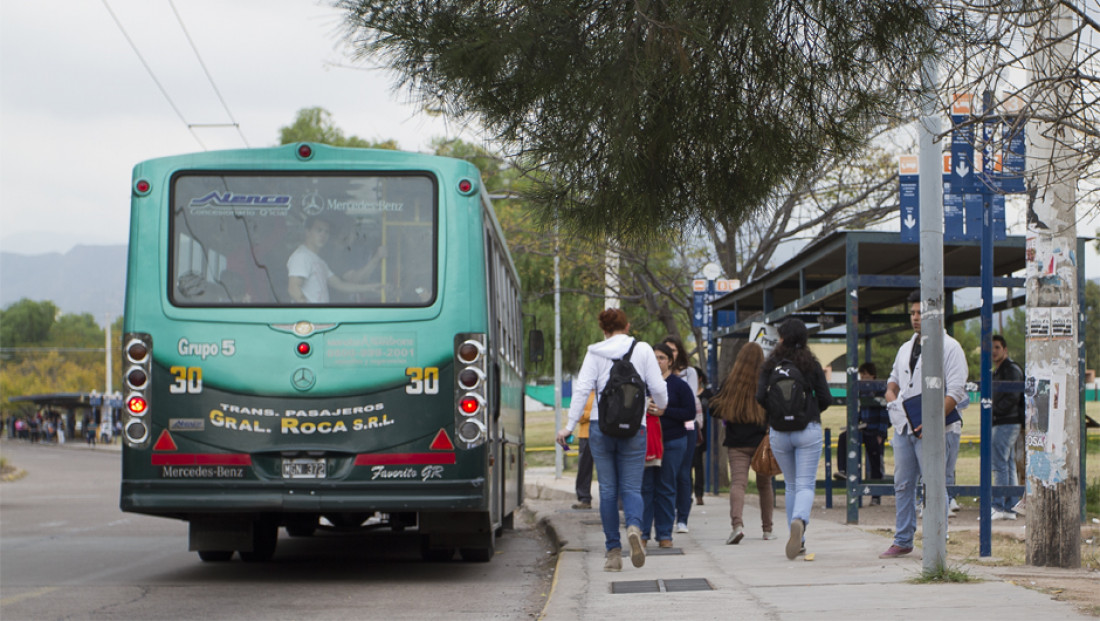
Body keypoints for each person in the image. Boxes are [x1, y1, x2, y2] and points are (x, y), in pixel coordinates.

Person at [556, 309, 668, 572]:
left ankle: (613, 553)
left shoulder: (595, 352)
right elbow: (659, 389)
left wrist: (569, 426)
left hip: (600, 427)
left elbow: (582, 389)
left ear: (603, 329)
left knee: (607, 490)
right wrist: (661, 407)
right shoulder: (642, 350)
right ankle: (633, 526)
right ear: (627, 326)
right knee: (631, 488)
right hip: (635, 428)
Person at [879, 290, 969, 559]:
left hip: (937, 429)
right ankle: (903, 539)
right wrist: (892, 397)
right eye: (913, 313)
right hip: (905, 427)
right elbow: (893, 380)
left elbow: (956, 391)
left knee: (934, 483)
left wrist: (931, 422)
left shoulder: (950, 348)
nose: (916, 318)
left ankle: (936, 539)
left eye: (921, 313)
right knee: (903, 483)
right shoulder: (905, 348)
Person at [756, 318, 833, 560]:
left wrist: (778, 414)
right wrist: (808, 412)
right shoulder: (810, 364)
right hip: (807, 429)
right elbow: (826, 398)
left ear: (780, 338)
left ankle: (798, 540)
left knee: (790, 485)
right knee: (805, 484)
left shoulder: (770, 365)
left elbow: (760, 396)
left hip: (779, 432)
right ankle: (800, 520)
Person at [710, 342, 775, 544]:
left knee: (738, 484)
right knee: (765, 485)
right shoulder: (766, 383)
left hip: (737, 442)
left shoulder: (730, 382)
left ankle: (737, 525)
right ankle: (767, 530)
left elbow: (713, 408)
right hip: (761, 443)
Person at [639, 343, 697, 549]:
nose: (657, 362)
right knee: (645, 488)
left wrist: (666, 412)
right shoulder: (642, 385)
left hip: (673, 442)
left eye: (662, 358)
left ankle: (665, 534)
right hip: (647, 443)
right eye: (654, 358)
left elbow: (690, 413)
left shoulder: (679, 385)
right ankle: (642, 534)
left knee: (666, 487)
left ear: (670, 361)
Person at [287, 216, 386, 303]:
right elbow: (293, 288)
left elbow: (340, 284)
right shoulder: (301, 256)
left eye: (326, 232)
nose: (323, 235)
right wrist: (309, 312)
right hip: (313, 318)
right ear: (308, 232)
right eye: (319, 230)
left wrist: (371, 288)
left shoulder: (319, 261)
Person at [834, 362, 890, 505]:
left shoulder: (880, 389)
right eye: (861, 374)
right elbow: (861, 412)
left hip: (875, 430)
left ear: (873, 375)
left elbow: (885, 414)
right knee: (843, 437)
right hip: (863, 428)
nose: (863, 377)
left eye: (865, 374)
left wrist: (881, 433)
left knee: (875, 460)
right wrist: (853, 424)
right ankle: (843, 469)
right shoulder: (862, 390)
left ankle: (876, 495)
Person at [661, 336, 700, 533]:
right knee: (665, 474)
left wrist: (665, 408)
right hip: (664, 428)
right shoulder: (655, 375)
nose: (670, 355)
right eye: (666, 352)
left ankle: (682, 516)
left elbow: (689, 401)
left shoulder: (688, 373)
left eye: (673, 351)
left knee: (684, 473)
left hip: (687, 426)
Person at [991, 334, 1024, 520]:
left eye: (997, 347)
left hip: (1006, 421)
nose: (994, 351)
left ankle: (999, 505)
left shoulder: (1010, 369)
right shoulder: (999, 370)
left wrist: (994, 410)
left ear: (1005, 349)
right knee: (1008, 462)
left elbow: (1013, 396)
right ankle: (1011, 506)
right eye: (992, 348)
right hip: (1005, 421)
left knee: (999, 463)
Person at [691, 366, 712, 505]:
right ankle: (689, 492)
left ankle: (699, 493)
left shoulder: (707, 394)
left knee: (698, 464)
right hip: (689, 431)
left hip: (701, 434)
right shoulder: (687, 392)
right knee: (687, 465)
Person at [572, 393, 595, 510]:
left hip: (604, 434)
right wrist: (593, 414)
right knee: (584, 468)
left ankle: (616, 501)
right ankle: (584, 498)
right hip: (585, 435)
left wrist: (587, 415)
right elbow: (577, 415)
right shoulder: (583, 393)